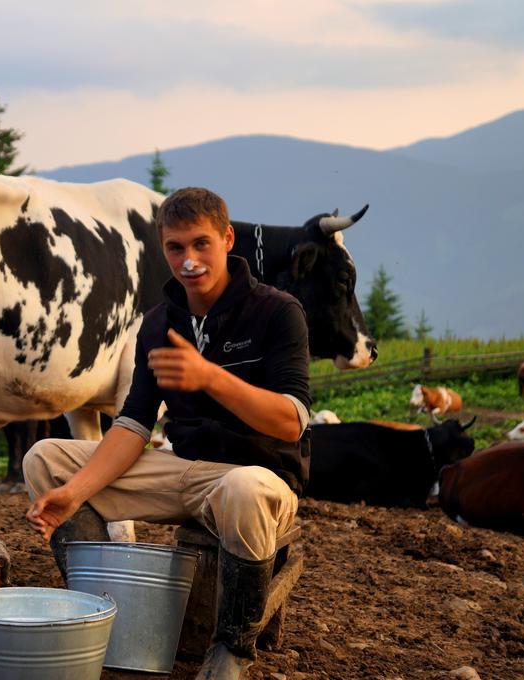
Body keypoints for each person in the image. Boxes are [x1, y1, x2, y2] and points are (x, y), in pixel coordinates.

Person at [24, 187, 311, 680]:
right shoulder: (159, 322)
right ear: (163, 247)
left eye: (201, 244)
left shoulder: (277, 311)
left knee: (243, 487)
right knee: (45, 459)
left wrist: (209, 377)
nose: (189, 260)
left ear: (227, 238)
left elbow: (291, 420)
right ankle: (102, 615)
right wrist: (75, 492)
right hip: (185, 471)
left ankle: (231, 649)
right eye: (176, 248)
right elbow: (134, 423)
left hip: (258, 478)